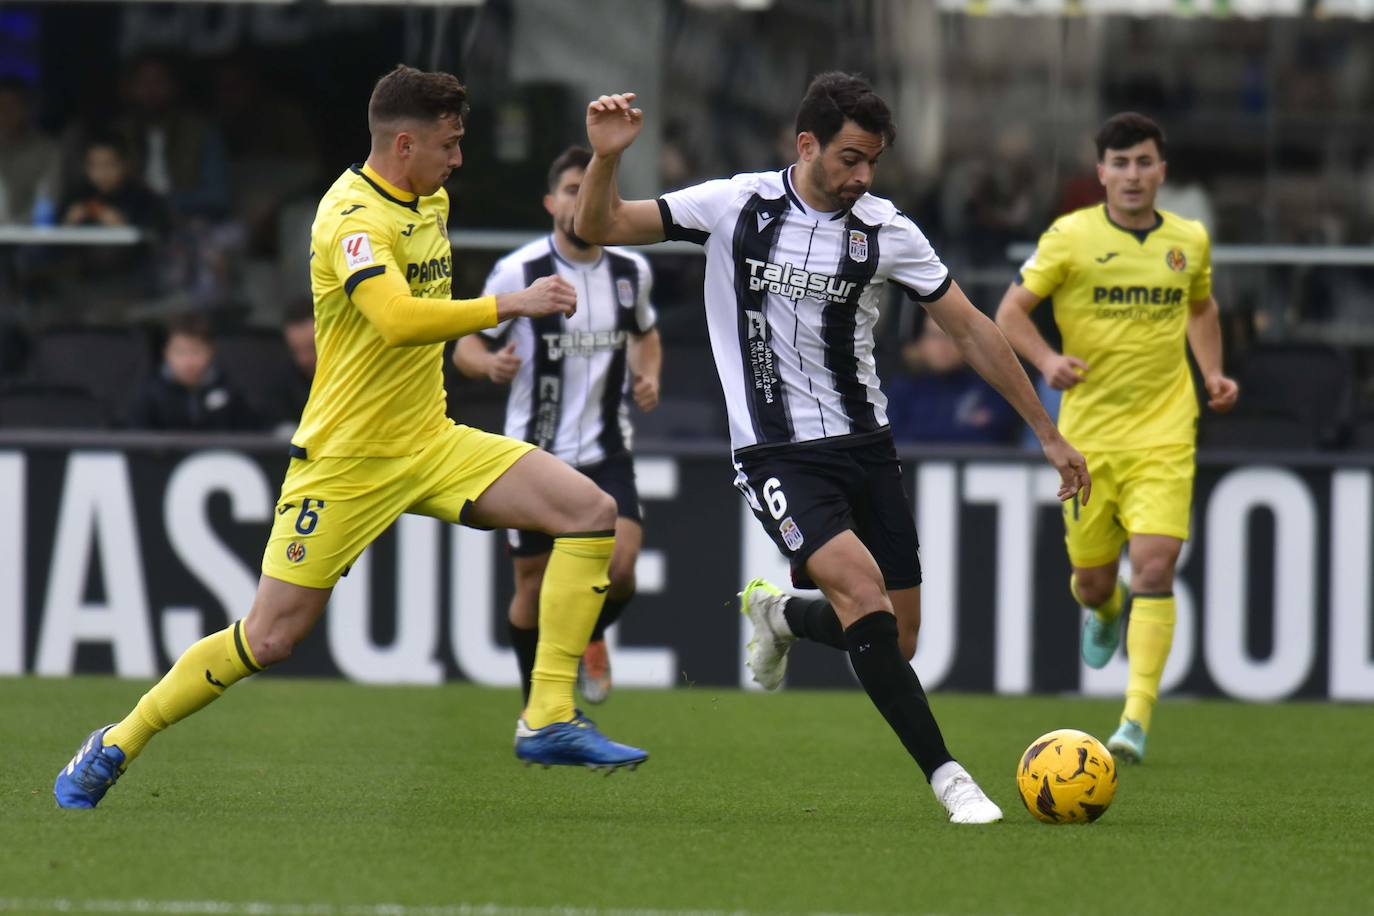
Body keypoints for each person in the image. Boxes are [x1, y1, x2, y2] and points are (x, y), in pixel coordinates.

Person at [54, 64, 647, 810]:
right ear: (404, 144)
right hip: (345, 462)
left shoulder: (427, 196)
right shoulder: (349, 220)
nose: (458, 160)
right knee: (268, 639)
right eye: (449, 145)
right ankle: (117, 741)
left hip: (430, 440)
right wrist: (506, 305)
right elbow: (397, 320)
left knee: (592, 512)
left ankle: (549, 714)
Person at [574, 73, 1090, 824]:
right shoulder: (735, 205)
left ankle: (780, 616)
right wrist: (608, 158)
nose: (861, 176)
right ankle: (950, 778)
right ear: (807, 144)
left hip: (867, 446)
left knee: (896, 638)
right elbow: (601, 226)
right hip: (776, 453)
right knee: (861, 593)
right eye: (850, 158)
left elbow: (972, 328)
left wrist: (1047, 431)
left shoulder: (885, 230)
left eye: (873, 161)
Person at [994, 112, 1239, 764]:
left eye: (1145, 163)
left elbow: (1202, 308)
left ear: (1163, 170)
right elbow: (1009, 313)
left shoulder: (1188, 240)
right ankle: (1106, 610)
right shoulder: (1070, 237)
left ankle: (1134, 720)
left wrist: (1212, 372)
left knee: (1158, 563)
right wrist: (1047, 363)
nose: (1133, 175)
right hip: (1089, 440)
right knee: (1093, 584)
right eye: (1121, 164)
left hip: (1165, 431)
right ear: (1101, 172)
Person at [453, 146, 661, 707]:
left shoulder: (630, 271)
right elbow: (467, 343)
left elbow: (646, 333)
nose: (579, 200)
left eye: (589, 188)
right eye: (570, 189)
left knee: (619, 569)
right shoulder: (519, 270)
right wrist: (487, 363)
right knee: (534, 588)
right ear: (551, 202)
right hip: (534, 455)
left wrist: (649, 375)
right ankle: (536, 708)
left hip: (605, 447)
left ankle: (589, 633)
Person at [885, 316, 1021, 445]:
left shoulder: (991, 386)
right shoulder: (904, 389)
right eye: (934, 336)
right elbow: (894, 440)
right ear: (920, 342)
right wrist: (962, 430)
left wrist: (925, 434)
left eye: (951, 336)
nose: (942, 345)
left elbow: (996, 438)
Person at [127, 312, 260, 432]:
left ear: (211, 352)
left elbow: (250, 431)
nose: (188, 361)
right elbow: (138, 438)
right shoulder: (149, 392)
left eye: (196, 351)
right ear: (166, 353)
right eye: (180, 352)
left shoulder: (229, 389)